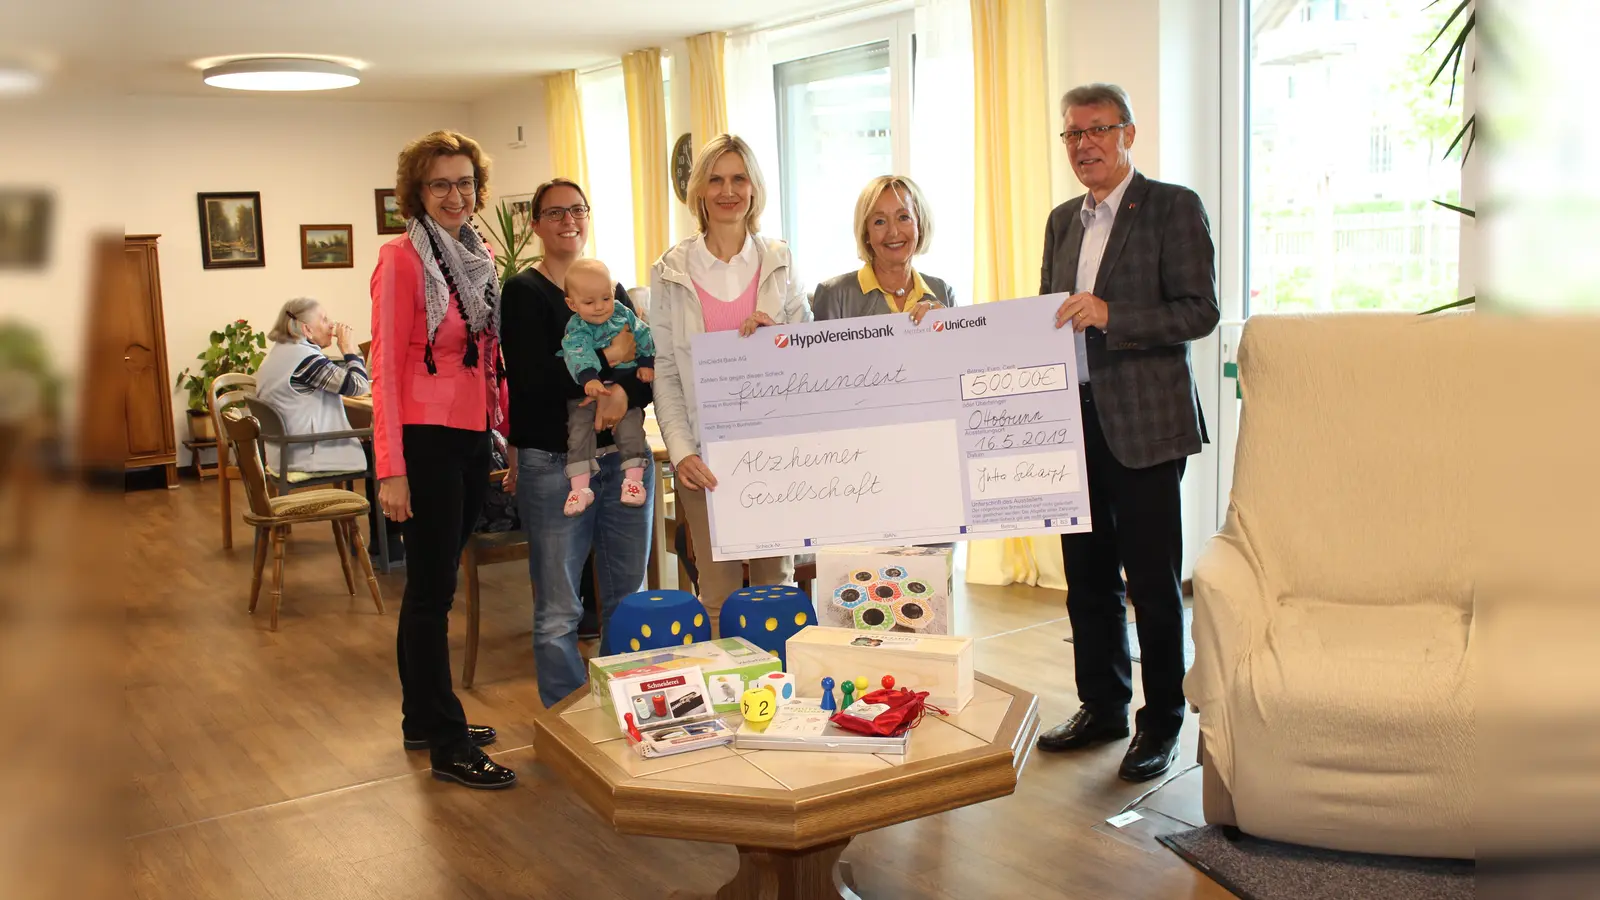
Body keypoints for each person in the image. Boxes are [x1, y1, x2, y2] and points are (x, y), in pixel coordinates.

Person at [1033, 83, 1220, 782]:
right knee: (1085, 578)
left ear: (1128, 134)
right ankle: (1104, 706)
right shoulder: (1060, 221)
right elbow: (1048, 314)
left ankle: (1161, 722)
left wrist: (1114, 316)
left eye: (1098, 130)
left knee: (1151, 580)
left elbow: (1199, 311)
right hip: (1071, 420)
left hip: (1145, 424)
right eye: (1073, 134)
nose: (1084, 144)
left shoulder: (1172, 206)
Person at [370, 129, 515, 790]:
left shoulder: (476, 253)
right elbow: (385, 372)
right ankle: (449, 741)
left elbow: (487, 360)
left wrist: (499, 435)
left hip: (467, 435)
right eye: (440, 184)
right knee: (431, 593)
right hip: (424, 441)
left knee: (434, 588)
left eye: (464, 182)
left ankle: (421, 717)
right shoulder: (401, 261)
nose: (455, 195)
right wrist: (391, 469)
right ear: (417, 193)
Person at [500, 178, 655, 708]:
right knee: (560, 609)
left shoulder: (612, 288)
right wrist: (610, 365)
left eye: (578, 210)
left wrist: (617, 396)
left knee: (626, 600)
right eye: (556, 212)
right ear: (537, 224)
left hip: (624, 459)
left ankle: (622, 709)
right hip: (556, 464)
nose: (570, 220)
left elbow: (646, 369)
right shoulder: (523, 292)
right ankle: (569, 721)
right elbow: (532, 380)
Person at [649, 133, 811, 635]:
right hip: (705, 459)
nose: (728, 190)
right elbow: (666, 371)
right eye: (716, 179)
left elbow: (814, 353)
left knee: (777, 588)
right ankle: (727, 704)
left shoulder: (779, 260)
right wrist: (681, 452)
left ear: (754, 188)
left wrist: (779, 338)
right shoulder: (671, 270)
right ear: (699, 190)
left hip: (773, 452)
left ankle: (783, 705)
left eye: (739, 178)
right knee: (716, 595)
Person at [557, 257, 656, 516]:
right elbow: (576, 353)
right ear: (572, 304)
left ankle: (633, 481)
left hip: (623, 385)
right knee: (578, 431)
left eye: (606, 298)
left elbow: (643, 333)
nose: (600, 307)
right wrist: (589, 378)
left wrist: (646, 361)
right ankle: (580, 488)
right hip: (589, 391)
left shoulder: (623, 313)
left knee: (632, 427)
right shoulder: (576, 327)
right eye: (589, 303)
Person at [811, 175, 953, 324]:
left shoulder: (944, 293)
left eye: (903, 217)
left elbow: (962, 347)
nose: (893, 232)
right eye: (880, 221)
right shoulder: (833, 295)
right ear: (866, 233)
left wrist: (947, 331)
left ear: (920, 224)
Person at [253, 297, 369, 477]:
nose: (332, 324)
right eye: (324, 319)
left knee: (367, 443)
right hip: (308, 453)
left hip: (283, 452)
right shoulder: (306, 360)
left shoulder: (278, 353)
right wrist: (348, 349)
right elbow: (359, 386)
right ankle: (371, 506)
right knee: (378, 452)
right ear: (307, 329)